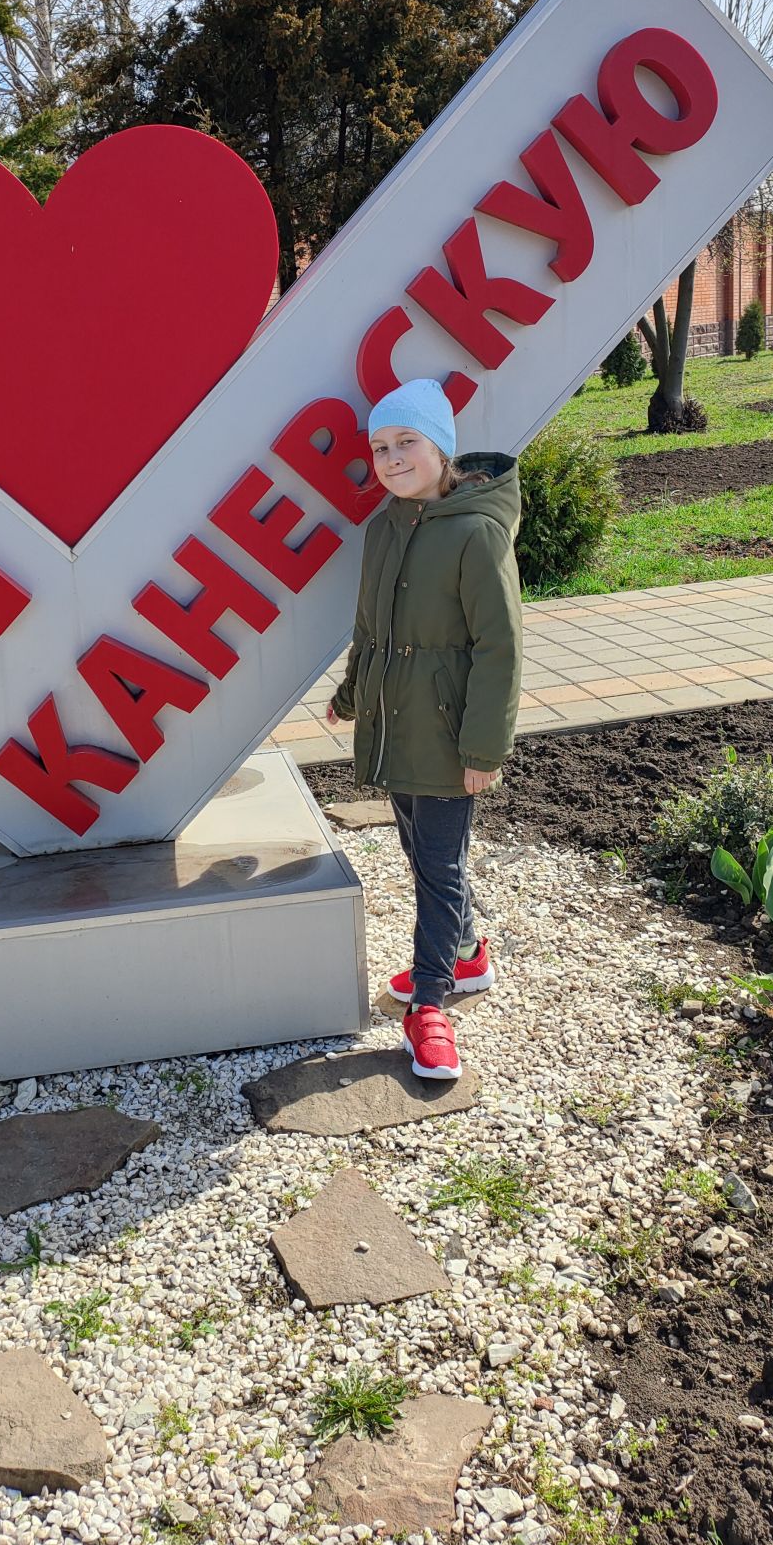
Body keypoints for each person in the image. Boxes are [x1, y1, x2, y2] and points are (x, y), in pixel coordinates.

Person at [325, 378, 522, 1082]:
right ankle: (466, 955)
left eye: (406, 441)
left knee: (438, 868)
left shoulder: (476, 533)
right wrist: (351, 695)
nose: (392, 458)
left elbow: (500, 648)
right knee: (422, 850)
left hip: (446, 734)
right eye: (380, 447)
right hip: (393, 724)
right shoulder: (383, 529)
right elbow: (370, 628)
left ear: (441, 448)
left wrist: (483, 749)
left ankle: (431, 1006)